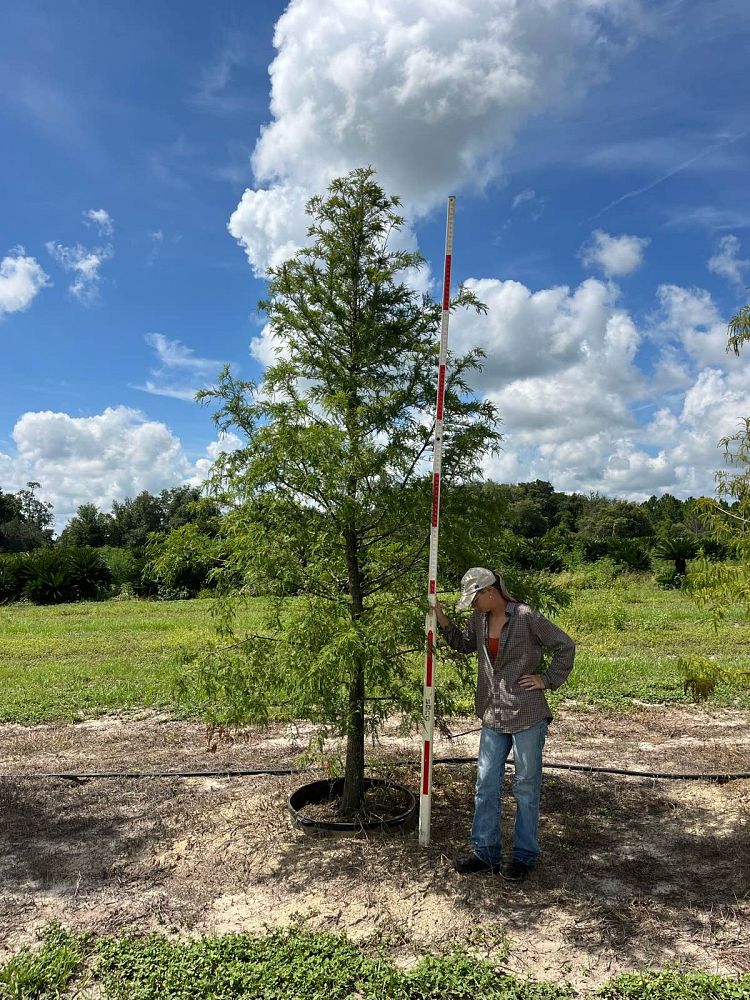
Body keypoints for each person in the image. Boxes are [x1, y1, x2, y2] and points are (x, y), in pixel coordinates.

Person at [434, 566, 575, 882]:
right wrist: (443, 621)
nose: (472, 605)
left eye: (475, 599)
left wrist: (548, 679)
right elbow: (464, 644)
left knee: (526, 785)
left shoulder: (525, 617)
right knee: (486, 782)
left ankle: (524, 857)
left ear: (489, 591)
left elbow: (565, 645)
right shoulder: (479, 619)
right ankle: (485, 854)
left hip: (526, 714)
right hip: (492, 713)